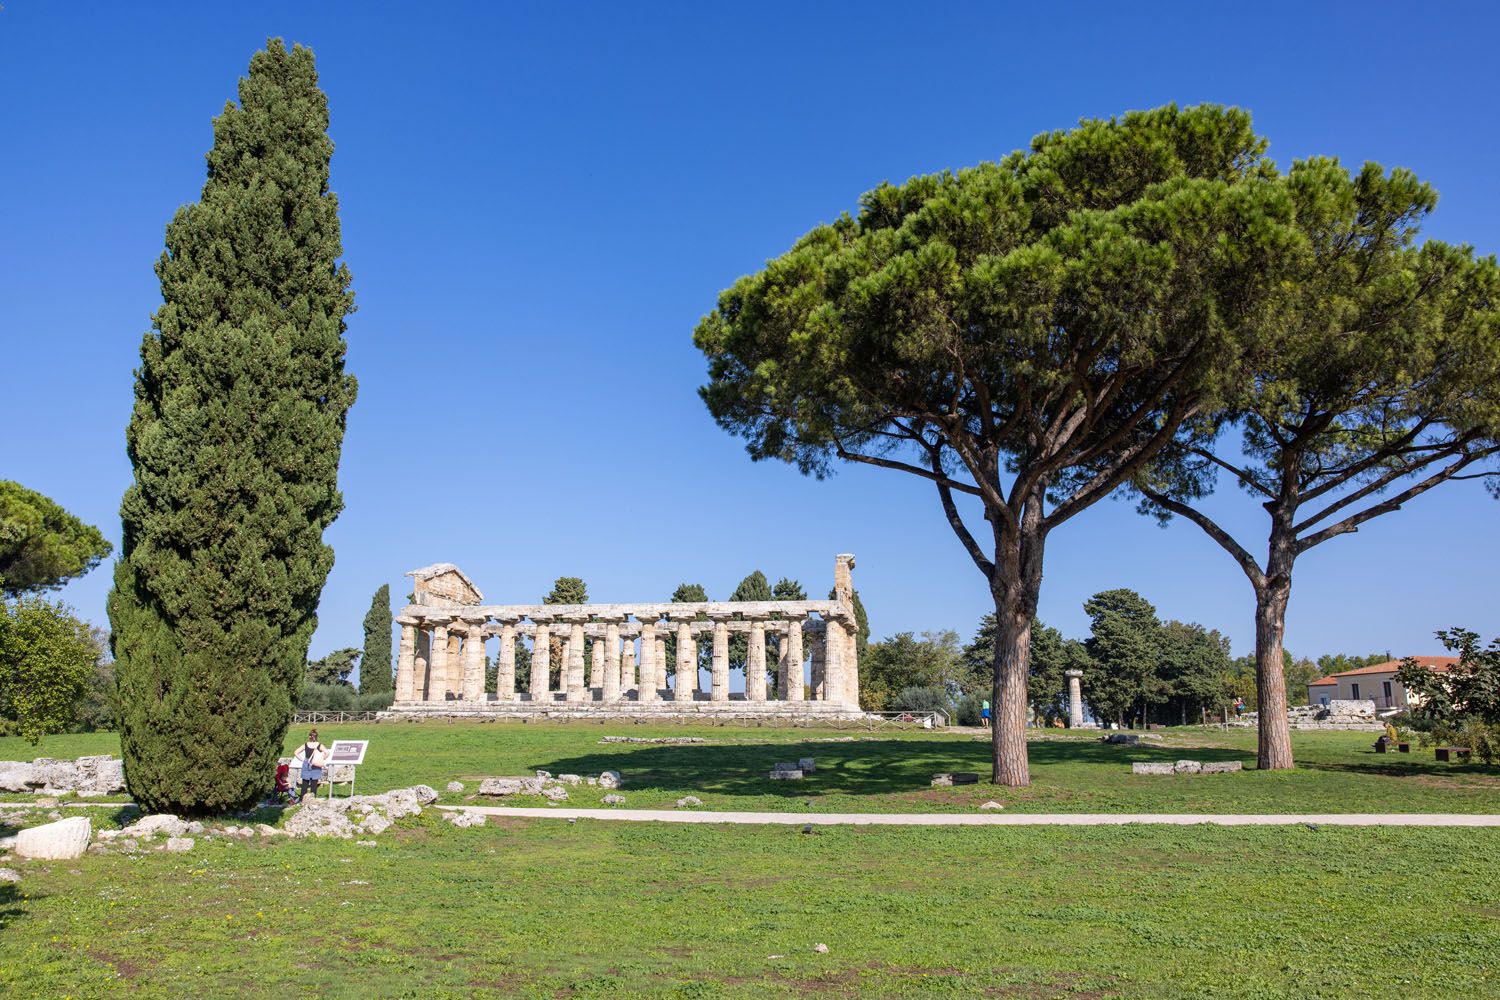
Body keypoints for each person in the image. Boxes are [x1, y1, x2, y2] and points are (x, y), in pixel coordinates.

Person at [292, 730, 330, 799]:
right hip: (315, 764)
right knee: (314, 783)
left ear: (310, 736)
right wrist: (321, 758)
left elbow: (296, 752)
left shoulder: (305, 744)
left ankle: (302, 799)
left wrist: (302, 759)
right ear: (316, 736)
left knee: (305, 783)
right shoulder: (319, 745)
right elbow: (327, 753)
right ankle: (313, 798)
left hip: (307, 763)